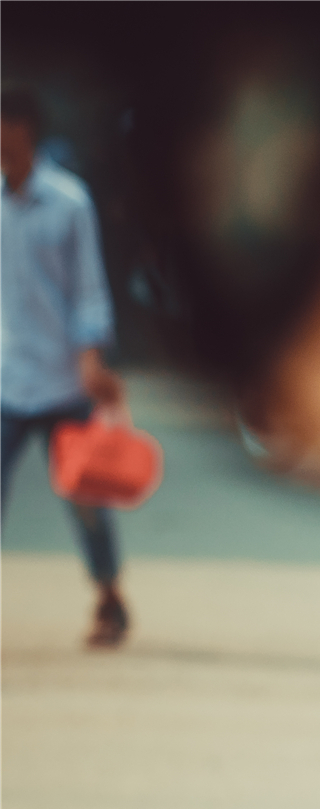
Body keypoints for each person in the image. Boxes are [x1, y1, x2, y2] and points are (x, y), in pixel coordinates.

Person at [1, 87, 129, 649]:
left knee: (85, 499)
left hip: (60, 380)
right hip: (5, 376)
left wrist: (90, 357)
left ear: (26, 130)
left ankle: (108, 595)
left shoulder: (69, 202)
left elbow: (89, 289)